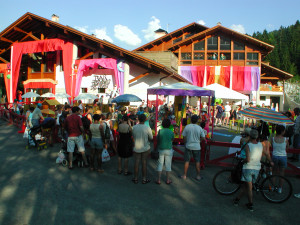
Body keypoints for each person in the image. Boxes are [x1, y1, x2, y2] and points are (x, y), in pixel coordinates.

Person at [233, 129, 273, 211]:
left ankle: (250, 204)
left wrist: (242, 161)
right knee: (246, 186)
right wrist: (270, 161)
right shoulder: (260, 145)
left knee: (248, 187)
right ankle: (236, 200)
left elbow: (247, 159)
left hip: (248, 168)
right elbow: (266, 154)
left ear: (250, 136)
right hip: (257, 168)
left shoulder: (248, 145)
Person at [180, 115, 206, 180]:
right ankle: (198, 176)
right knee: (197, 161)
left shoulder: (187, 127)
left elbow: (184, 137)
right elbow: (203, 137)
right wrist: (199, 141)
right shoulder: (199, 128)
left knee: (187, 161)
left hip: (188, 145)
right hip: (197, 146)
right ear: (197, 120)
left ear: (191, 120)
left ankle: (184, 175)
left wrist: (185, 142)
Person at [132, 114, 153, 184]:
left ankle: (135, 178)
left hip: (136, 147)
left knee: (136, 163)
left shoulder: (134, 127)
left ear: (138, 119)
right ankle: (144, 178)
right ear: (145, 120)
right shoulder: (147, 128)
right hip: (145, 147)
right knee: (144, 163)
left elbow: (132, 135)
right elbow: (151, 138)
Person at [156, 118, 174, 185]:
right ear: (169, 124)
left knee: (160, 164)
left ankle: (158, 180)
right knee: (168, 165)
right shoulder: (171, 132)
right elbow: (172, 139)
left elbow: (157, 139)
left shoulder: (160, 131)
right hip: (169, 149)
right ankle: (167, 180)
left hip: (161, 149)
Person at [272, 125, 289, 193]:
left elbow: (271, 146)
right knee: (282, 173)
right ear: (282, 131)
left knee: (274, 173)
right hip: (283, 156)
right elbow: (287, 148)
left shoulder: (273, 138)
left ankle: (273, 187)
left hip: (275, 156)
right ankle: (280, 188)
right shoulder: (285, 140)